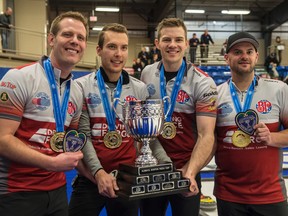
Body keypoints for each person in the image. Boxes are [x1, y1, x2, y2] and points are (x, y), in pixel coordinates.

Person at [68, 23, 170, 216]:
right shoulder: (80, 87)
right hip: (91, 178)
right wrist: (98, 174)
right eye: (112, 47)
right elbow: (83, 136)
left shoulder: (140, 89)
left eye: (123, 48)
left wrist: (166, 164)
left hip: (127, 179)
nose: (118, 54)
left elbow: (149, 136)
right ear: (99, 50)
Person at [0, 11, 87, 216]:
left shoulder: (76, 91)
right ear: (51, 39)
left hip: (57, 192)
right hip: (17, 192)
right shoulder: (19, 78)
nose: (75, 41)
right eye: (67, 34)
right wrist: (51, 163)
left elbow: (69, 141)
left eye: (81, 38)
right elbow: (2, 139)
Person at [140, 17, 218, 216]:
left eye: (178, 40)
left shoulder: (203, 82)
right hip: (153, 169)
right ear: (157, 43)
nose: (172, 45)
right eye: (166, 39)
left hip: (186, 168)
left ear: (186, 43)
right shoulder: (147, 74)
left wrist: (190, 171)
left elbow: (206, 135)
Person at [214, 31, 288, 216]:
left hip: (270, 194)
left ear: (256, 56)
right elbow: (207, 138)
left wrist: (271, 137)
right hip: (229, 194)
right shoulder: (215, 94)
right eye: (237, 52)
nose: (244, 56)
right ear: (226, 58)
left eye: (249, 51)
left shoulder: (278, 89)